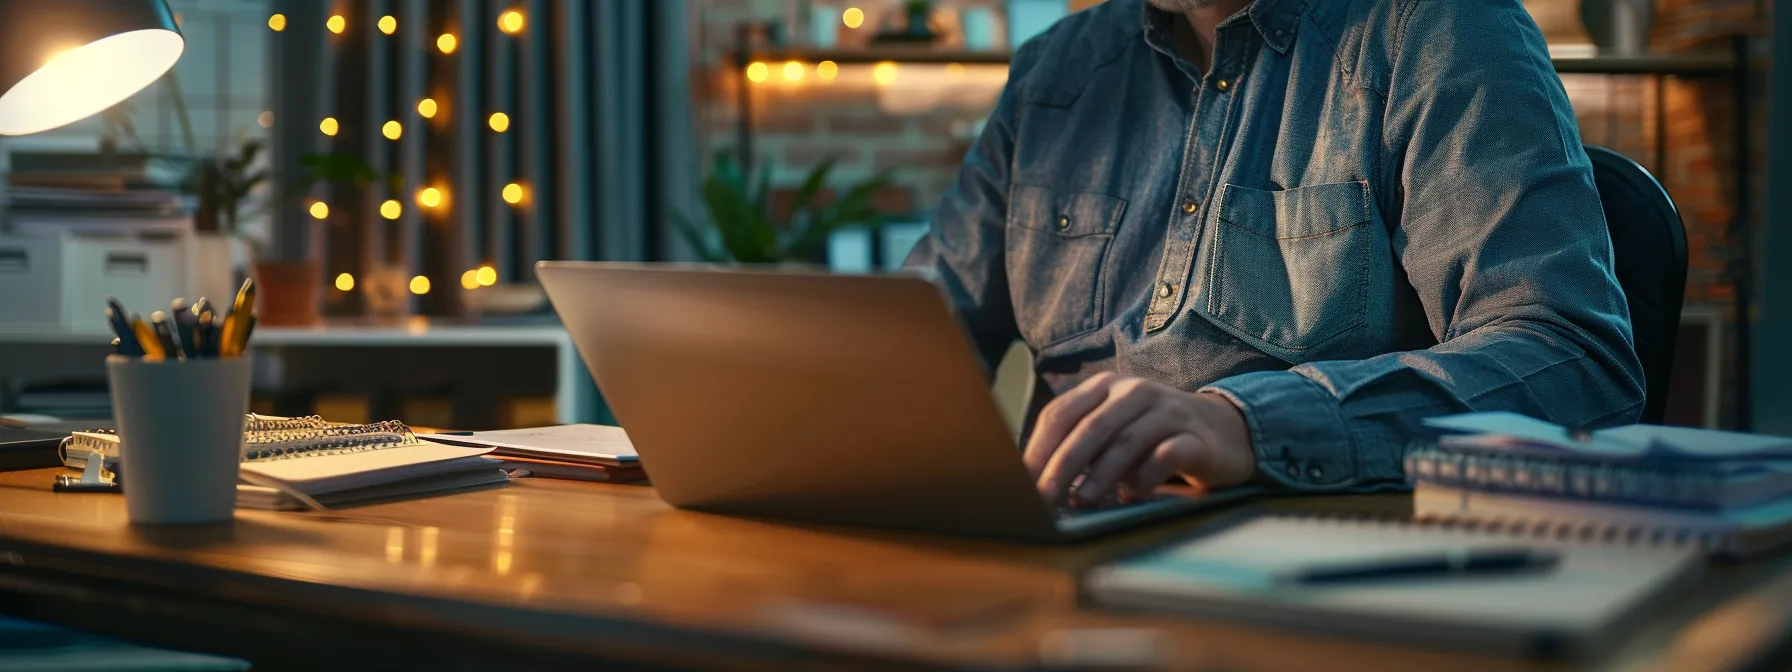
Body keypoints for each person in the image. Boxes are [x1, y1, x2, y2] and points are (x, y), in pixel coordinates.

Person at [904, 0, 1644, 505]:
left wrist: (1249, 425)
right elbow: (915, 329)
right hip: (1062, 544)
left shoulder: (1438, 30)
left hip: (1311, 554)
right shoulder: (1054, 71)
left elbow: (1573, 358)